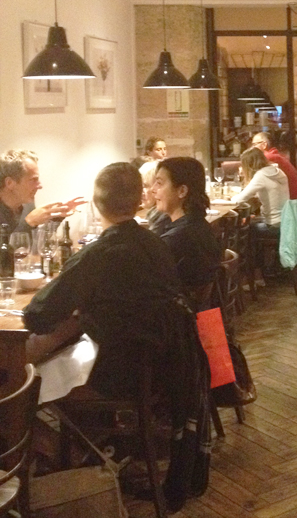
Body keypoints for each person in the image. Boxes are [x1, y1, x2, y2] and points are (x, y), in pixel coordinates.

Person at [23, 162, 211, 511]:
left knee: (20, 385)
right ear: (139, 200)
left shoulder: (97, 255)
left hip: (117, 376)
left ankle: (76, 457)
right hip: (161, 368)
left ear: (96, 204)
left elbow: (37, 316)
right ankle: (91, 453)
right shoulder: (156, 244)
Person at [152, 157, 222, 307]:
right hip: (200, 313)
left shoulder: (176, 239)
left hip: (179, 317)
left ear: (182, 191)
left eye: (159, 183)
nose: (153, 189)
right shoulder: (200, 225)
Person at [0, 149, 86, 234]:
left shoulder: (28, 205)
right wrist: (29, 222)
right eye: (33, 180)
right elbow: (8, 243)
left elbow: (36, 239)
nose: (40, 186)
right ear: (10, 183)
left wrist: (56, 215)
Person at [231, 147, 290, 233]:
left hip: (274, 224)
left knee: (243, 228)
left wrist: (230, 198)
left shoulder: (261, 175)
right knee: (250, 220)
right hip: (285, 220)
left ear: (249, 165)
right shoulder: (277, 171)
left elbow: (239, 200)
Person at [251, 132, 297, 199]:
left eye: (254, 144)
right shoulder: (275, 155)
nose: (252, 148)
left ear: (264, 145)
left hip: (292, 200)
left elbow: (255, 179)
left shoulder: (267, 157)